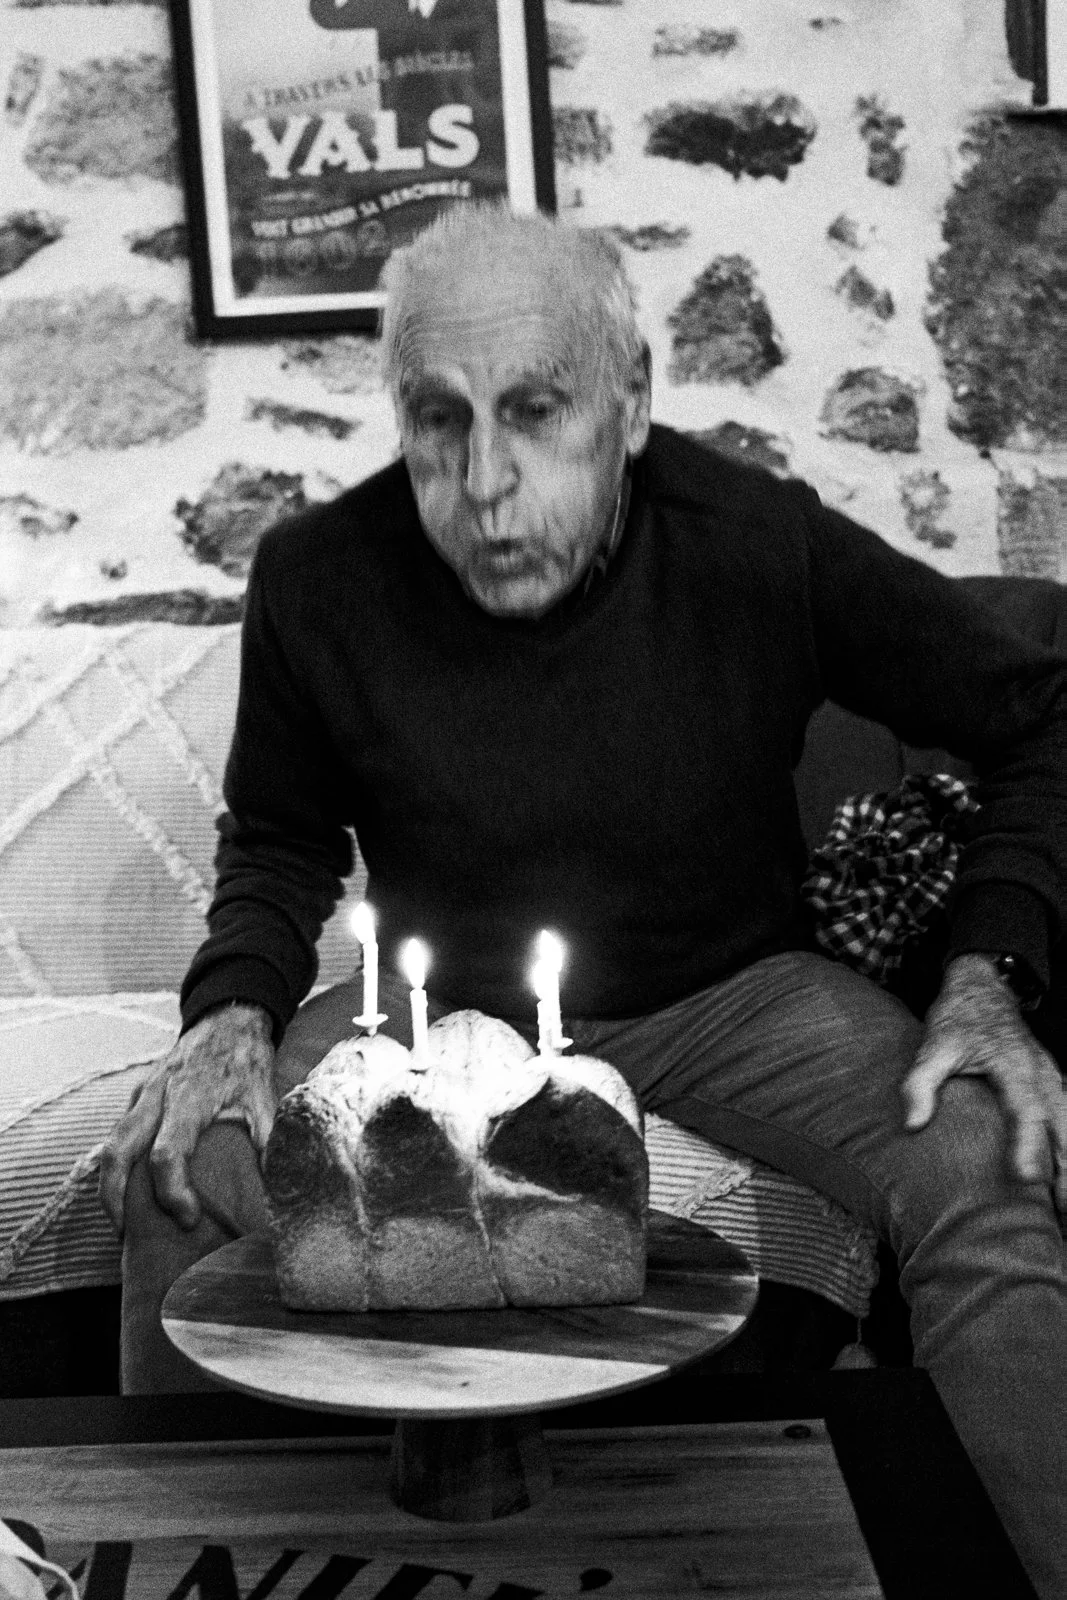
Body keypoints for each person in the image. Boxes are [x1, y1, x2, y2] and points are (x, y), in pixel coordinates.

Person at [100, 204, 1066, 1596]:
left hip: (735, 995)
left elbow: (1037, 711)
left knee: (987, 1160)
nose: (482, 481)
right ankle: (220, 1570)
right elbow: (278, 844)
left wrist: (988, 970)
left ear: (626, 409)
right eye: (437, 420)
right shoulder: (317, 581)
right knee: (183, 1161)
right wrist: (231, 1015)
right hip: (442, 1013)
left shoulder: (754, 542)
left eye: (533, 413)